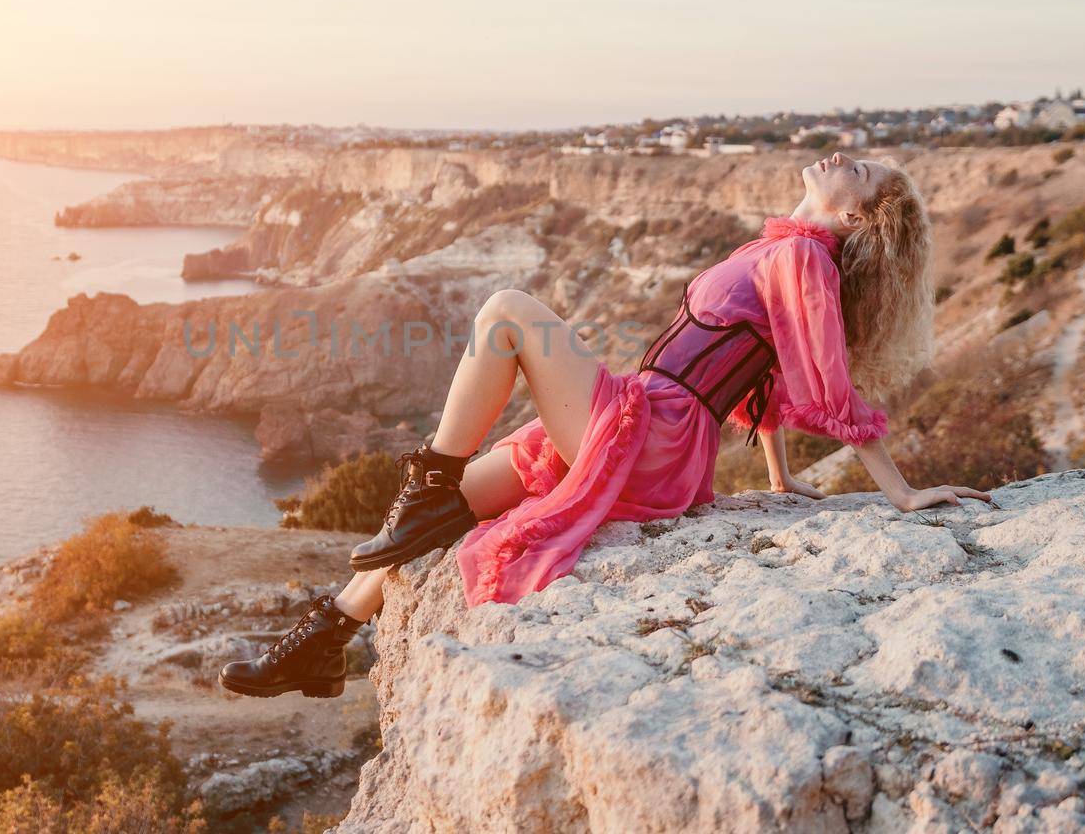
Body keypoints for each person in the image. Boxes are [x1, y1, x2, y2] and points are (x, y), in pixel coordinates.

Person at [218, 151, 993, 699]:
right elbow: (764, 379)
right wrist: (777, 477)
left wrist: (901, 494)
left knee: (508, 313)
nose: (841, 157)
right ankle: (320, 643)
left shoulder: (807, 262)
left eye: (857, 170)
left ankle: (424, 485)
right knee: (445, 512)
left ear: (854, 214)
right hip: (640, 417)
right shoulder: (781, 250)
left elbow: (831, 391)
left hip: (653, 434)